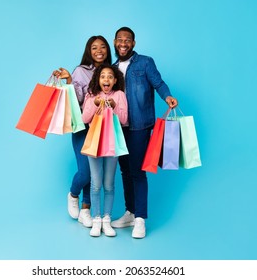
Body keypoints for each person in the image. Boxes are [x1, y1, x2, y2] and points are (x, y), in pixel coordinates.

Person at [111, 27, 178, 238]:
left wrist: (167, 97)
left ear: (133, 43)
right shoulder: (111, 68)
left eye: (127, 40)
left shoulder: (145, 62)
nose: (123, 43)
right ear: (114, 42)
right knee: (125, 171)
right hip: (117, 126)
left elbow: (158, 83)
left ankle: (140, 218)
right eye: (120, 39)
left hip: (140, 125)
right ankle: (130, 212)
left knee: (138, 171)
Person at [52, 36, 112, 228]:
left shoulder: (111, 71)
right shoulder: (81, 70)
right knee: (85, 172)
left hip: (104, 128)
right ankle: (73, 194)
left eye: (103, 47)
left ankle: (86, 209)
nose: (99, 51)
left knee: (96, 173)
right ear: (89, 50)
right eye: (94, 48)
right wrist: (69, 79)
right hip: (83, 127)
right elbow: (76, 99)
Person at [82, 64, 128, 237]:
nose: (106, 79)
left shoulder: (120, 95)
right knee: (96, 184)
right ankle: (96, 219)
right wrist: (94, 103)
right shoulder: (91, 95)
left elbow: (124, 120)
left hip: (112, 144)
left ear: (115, 80)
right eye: (103, 76)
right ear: (98, 79)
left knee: (108, 184)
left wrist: (115, 106)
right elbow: (84, 118)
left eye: (110, 76)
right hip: (94, 143)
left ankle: (106, 220)